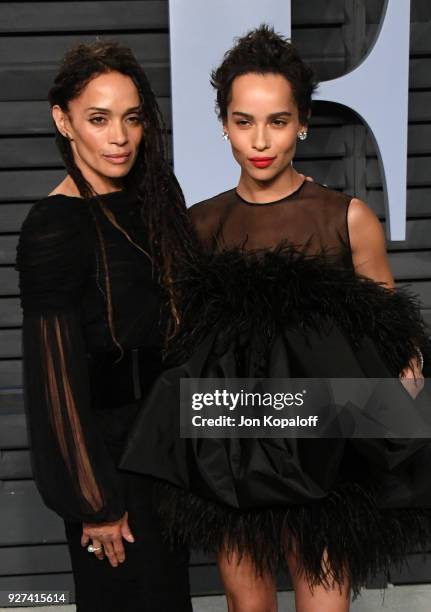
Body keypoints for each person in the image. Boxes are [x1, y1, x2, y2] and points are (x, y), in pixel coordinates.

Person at [121, 25, 431, 612]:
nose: (260, 140)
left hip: (326, 445)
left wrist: (408, 371)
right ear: (224, 124)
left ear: (304, 121)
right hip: (234, 443)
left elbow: (391, 330)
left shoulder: (347, 217)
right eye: (244, 121)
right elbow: (185, 344)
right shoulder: (201, 225)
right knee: (249, 607)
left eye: (278, 121)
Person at [16, 40, 194, 611]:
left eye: (131, 118)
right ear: (62, 121)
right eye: (98, 119)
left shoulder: (155, 201)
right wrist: (94, 501)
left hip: (167, 449)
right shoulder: (53, 225)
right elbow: (54, 377)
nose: (119, 137)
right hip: (108, 461)